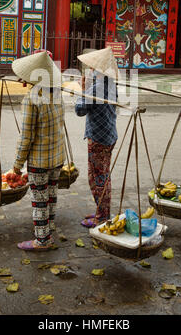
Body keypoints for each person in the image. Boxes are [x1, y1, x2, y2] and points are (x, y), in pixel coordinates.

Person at [11, 51, 65, 250]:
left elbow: (26, 136)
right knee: (51, 194)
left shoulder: (31, 100)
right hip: (57, 156)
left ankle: (42, 240)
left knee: (39, 200)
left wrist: (17, 164)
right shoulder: (57, 93)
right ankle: (49, 226)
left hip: (40, 161)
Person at [75, 47, 118, 228]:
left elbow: (80, 110)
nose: (90, 70)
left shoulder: (97, 87)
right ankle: (103, 211)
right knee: (103, 176)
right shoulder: (110, 83)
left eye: (92, 68)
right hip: (109, 135)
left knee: (97, 179)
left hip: (99, 139)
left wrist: (82, 89)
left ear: (98, 70)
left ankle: (102, 217)